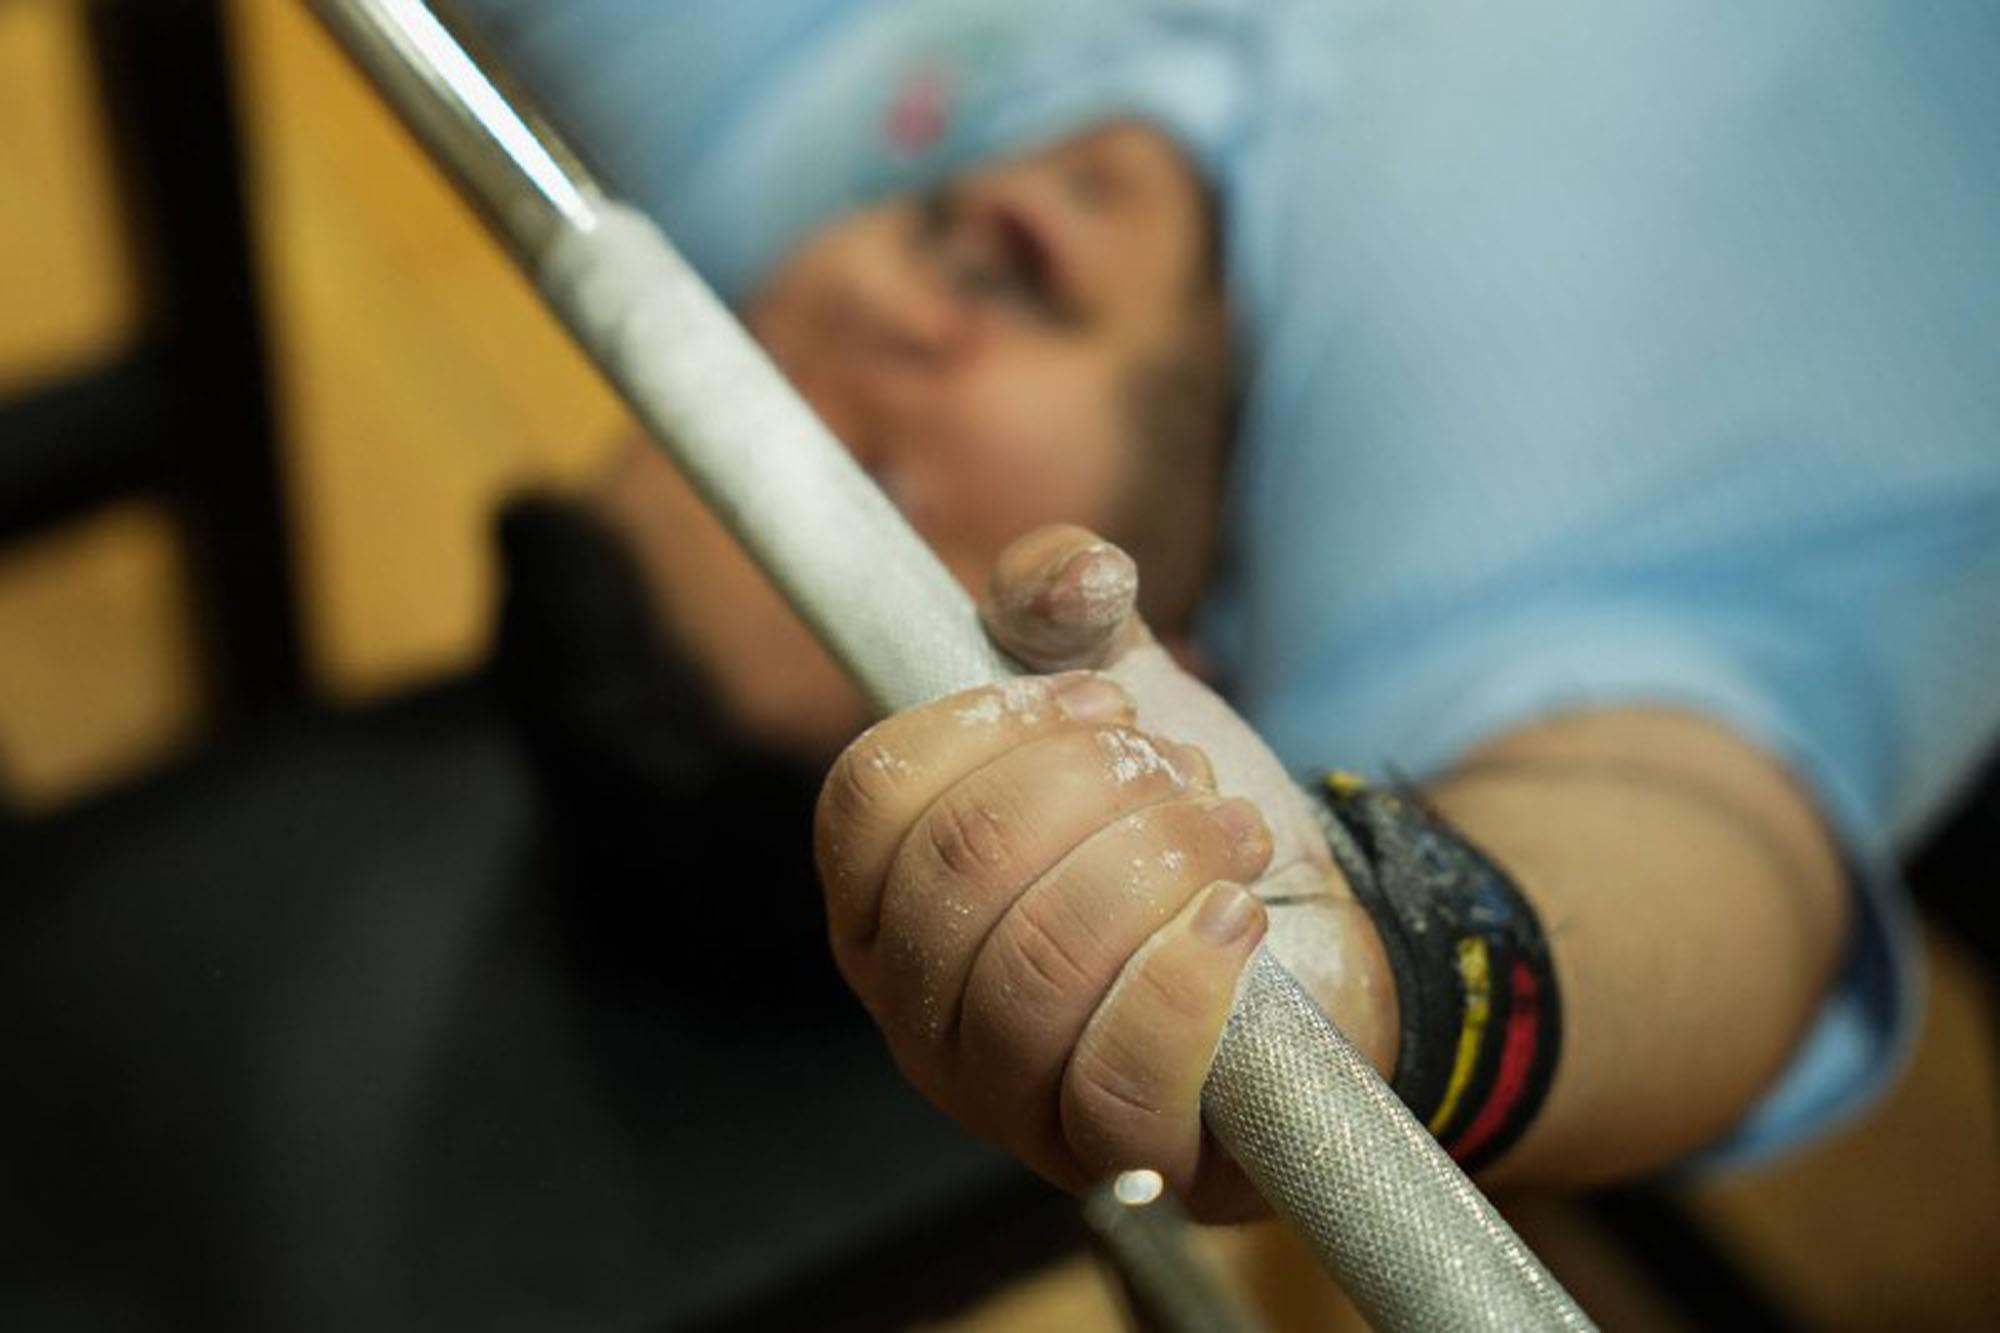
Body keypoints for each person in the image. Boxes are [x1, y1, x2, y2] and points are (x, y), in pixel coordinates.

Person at [467, 0, 2000, 1220]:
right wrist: (1378, 993)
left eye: (750, 370)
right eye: (874, 478)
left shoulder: (774, 158)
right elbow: (1712, 866)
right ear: (1106, 718)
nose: (860, 312)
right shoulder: (1441, 635)